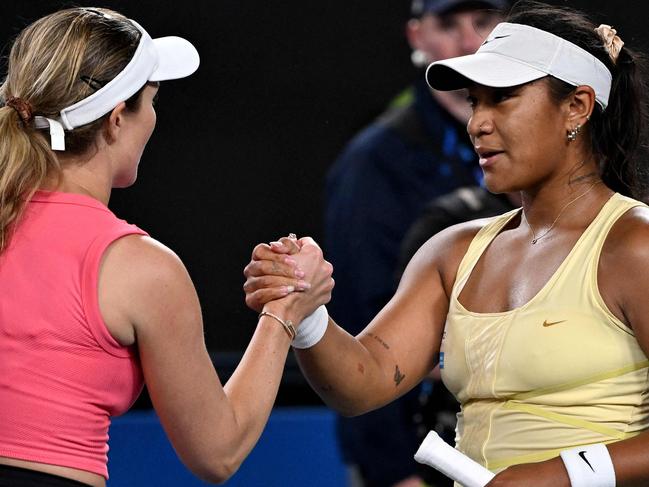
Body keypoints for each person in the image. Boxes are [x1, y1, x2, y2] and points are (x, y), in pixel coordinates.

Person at [244, 1, 649, 486]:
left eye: (502, 98)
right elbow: (362, 381)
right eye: (475, 100)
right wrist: (305, 312)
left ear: (577, 107)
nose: (477, 122)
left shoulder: (635, 245)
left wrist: (564, 474)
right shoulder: (452, 252)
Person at [0, 8, 333, 487]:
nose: (153, 118)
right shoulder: (140, 268)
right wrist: (286, 311)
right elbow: (217, 451)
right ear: (116, 121)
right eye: (151, 100)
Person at [324, 1, 506, 485]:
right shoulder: (374, 164)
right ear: (416, 34)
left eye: (484, 21)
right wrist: (397, 470)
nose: (470, 43)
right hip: (419, 452)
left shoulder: (533, 148)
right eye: (448, 24)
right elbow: (361, 331)